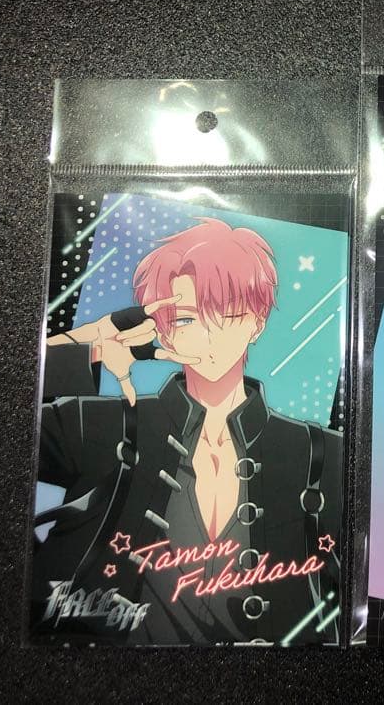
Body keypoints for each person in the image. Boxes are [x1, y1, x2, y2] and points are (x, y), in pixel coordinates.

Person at [31, 218, 342, 645]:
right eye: (187, 318)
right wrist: (92, 346)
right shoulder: (99, 426)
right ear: (161, 327)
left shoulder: (316, 452)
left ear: (256, 322)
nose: (209, 334)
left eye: (225, 314)